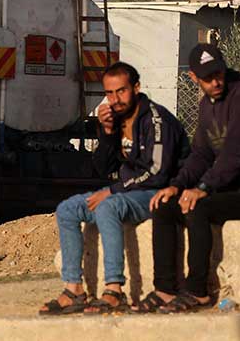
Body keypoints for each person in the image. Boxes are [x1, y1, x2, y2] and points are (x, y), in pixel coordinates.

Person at [139, 43, 240, 314]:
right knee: (164, 206)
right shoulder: (207, 105)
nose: (216, 82)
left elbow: (236, 154)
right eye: (207, 78)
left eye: (219, 73)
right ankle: (165, 289)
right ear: (194, 78)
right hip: (229, 191)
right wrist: (177, 185)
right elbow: (201, 155)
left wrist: (203, 188)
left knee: (199, 208)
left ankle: (197, 291)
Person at [39, 62, 189, 315]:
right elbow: (101, 168)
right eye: (109, 93)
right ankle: (74, 289)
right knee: (67, 209)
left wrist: (114, 190)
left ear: (136, 88)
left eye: (121, 91)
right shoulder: (116, 119)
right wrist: (107, 132)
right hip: (130, 191)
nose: (115, 99)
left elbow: (157, 171)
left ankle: (114, 289)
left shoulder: (156, 119)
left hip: (160, 191)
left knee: (109, 206)